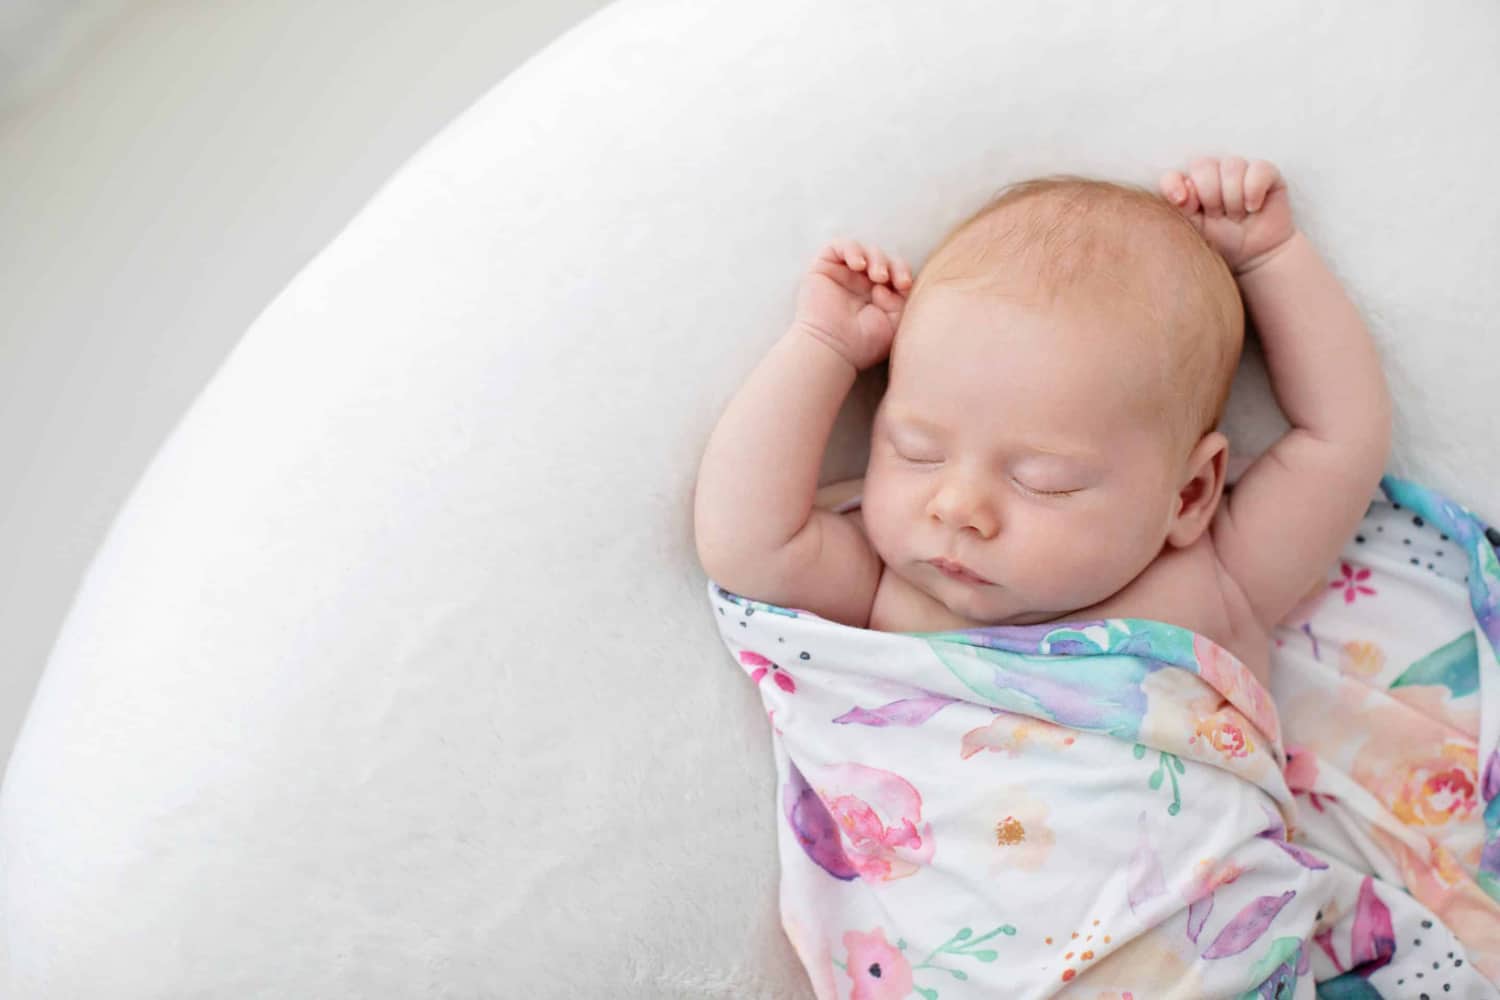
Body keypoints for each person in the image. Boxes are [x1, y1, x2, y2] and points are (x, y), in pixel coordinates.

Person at [693, 156, 1393, 689]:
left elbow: (1342, 440)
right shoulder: (887, 590)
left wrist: (1272, 260)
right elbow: (746, 544)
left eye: (1044, 482)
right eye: (918, 452)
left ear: (1187, 496)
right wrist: (823, 349)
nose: (959, 508)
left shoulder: (1214, 583)